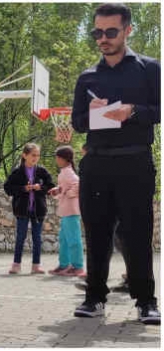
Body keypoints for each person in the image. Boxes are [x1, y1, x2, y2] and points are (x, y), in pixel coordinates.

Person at [70, 3, 160, 324]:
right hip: (95, 165)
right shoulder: (87, 77)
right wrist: (92, 112)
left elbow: (159, 111)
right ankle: (94, 298)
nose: (103, 38)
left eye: (110, 32)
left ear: (127, 30)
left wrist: (133, 110)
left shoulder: (150, 70)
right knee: (96, 234)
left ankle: (146, 301)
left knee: (138, 234)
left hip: (135, 162)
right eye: (97, 32)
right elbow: (78, 123)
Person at [3, 143, 55, 275]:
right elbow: (8, 188)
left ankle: (36, 266)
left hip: (38, 211)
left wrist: (40, 188)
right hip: (22, 210)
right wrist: (22, 189)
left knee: (37, 238)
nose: (35, 158)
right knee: (20, 237)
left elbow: (50, 186)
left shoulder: (42, 171)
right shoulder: (17, 172)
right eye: (33, 155)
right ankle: (16, 265)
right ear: (24, 155)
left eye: (37, 155)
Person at [48, 146, 85, 277]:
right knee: (64, 240)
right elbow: (66, 186)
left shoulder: (68, 172)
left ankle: (78, 267)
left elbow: (79, 184)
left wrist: (69, 193)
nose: (56, 160)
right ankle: (64, 265)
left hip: (71, 211)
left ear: (64, 159)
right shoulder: (64, 171)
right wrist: (58, 190)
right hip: (65, 211)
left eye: (58, 157)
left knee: (74, 239)